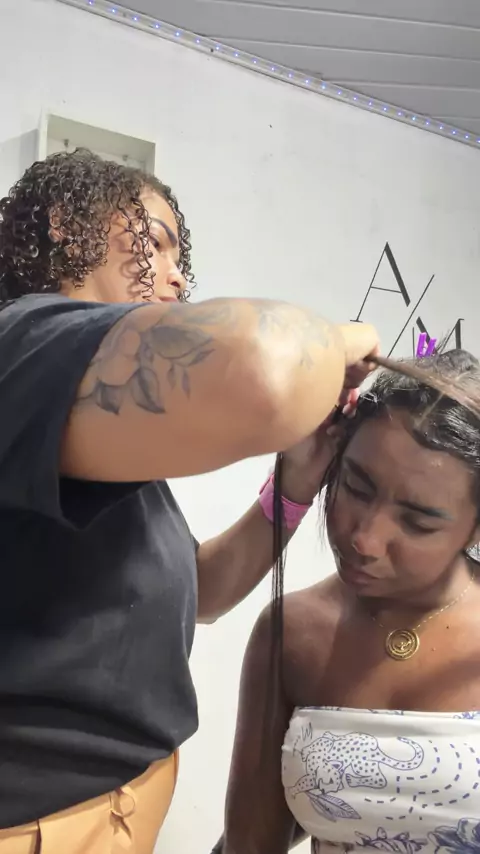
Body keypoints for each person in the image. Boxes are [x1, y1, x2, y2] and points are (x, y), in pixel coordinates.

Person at [0, 148, 379, 854]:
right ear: (64, 228)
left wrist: (293, 487)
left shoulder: (84, 426)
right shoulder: (24, 338)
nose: (177, 276)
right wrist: (345, 340)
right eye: (156, 242)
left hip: (112, 808)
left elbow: (197, 592)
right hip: (45, 823)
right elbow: (269, 366)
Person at [219, 348, 480, 854]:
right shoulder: (293, 632)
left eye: (418, 522)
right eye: (356, 488)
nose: (365, 538)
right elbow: (251, 842)